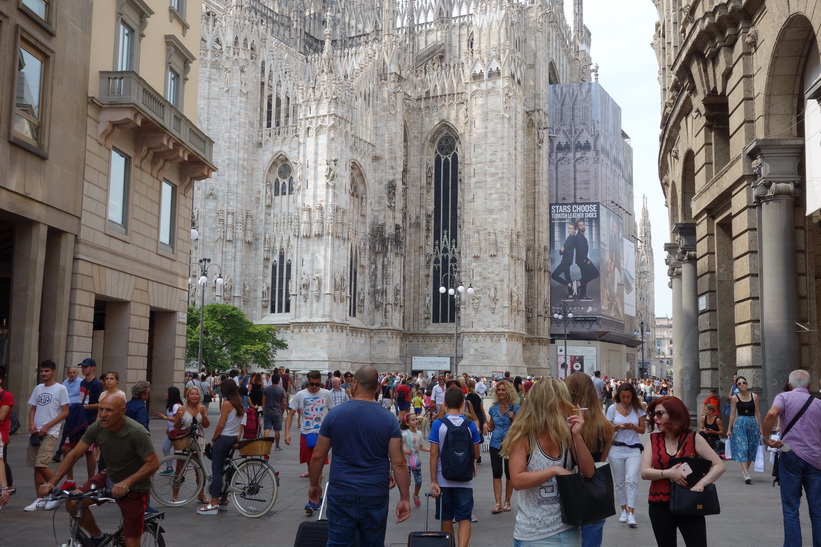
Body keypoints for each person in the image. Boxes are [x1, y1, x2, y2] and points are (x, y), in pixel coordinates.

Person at [308, 365, 410, 544]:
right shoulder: (388, 419)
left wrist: (314, 484)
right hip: (374, 492)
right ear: (377, 387)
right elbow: (399, 462)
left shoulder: (334, 415)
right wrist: (404, 497)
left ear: (354, 384)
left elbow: (318, 455)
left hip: (341, 490)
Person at [40, 395, 159, 547]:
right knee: (73, 502)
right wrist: (51, 483)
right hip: (109, 476)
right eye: (101, 409)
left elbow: (153, 463)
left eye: (109, 410)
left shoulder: (136, 432)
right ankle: (98, 537)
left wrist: (127, 482)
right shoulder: (98, 427)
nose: (103, 414)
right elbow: (74, 454)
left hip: (134, 488)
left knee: (131, 541)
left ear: (122, 411)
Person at [502, 378, 594, 546]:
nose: (568, 406)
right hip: (532, 533)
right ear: (551, 404)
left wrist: (577, 435)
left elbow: (589, 472)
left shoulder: (566, 434)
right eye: (563, 401)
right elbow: (517, 480)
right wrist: (554, 470)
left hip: (567, 527)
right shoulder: (523, 436)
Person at [640, 396, 725, 547]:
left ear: (674, 415)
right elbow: (644, 472)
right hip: (659, 504)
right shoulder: (653, 439)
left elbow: (719, 465)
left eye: (660, 414)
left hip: (690, 501)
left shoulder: (693, 438)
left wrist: (702, 484)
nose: (655, 418)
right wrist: (668, 473)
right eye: (654, 414)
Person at [761, 369, 821, 547]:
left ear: (789, 385)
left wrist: (766, 438)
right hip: (816, 460)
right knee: (817, 509)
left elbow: (771, 414)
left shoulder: (784, 397)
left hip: (790, 455)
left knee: (791, 508)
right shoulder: (818, 403)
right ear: (809, 386)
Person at [429, 387, 482, 547]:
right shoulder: (470, 425)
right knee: (464, 517)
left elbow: (433, 455)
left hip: (443, 478)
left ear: (444, 404)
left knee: (446, 517)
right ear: (462, 405)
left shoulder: (438, 424)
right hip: (465, 479)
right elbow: (477, 454)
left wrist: (433, 481)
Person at [566, 372, 614, 545]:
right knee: (592, 535)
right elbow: (603, 458)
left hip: (567, 486)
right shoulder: (604, 425)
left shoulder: (565, 423)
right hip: (595, 489)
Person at [25, 360, 70, 512]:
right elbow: (33, 409)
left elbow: (65, 411)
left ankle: (54, 492)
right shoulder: (38, 388)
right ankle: (40, 498)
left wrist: (47, 426)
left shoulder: (61, 389)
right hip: (35, 432)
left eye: (46, 371)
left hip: (50, 432)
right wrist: (31, 424)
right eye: (42, 371)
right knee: (36, 468)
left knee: (41, 464)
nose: (43, 374)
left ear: (53, 372)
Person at [197, 379, 245, 515]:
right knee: (225, 470)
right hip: (233, 438)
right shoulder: (239, 403)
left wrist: (213, 439)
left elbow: (220, 425)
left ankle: (213, 503)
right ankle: (224, 499)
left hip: (223, 439)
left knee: (217, 471)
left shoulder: (227, 404)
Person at [284, 370, 334, 494]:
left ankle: (316, 496)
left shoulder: (326, 394)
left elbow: (333, 412)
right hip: (306, 434)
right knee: (311, 467)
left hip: (321, 435)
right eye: (312, 384)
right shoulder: (300, 395)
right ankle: (315, 493)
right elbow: (291, 414)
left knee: (319, 467)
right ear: (308, 382)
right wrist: (286, 433)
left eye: (317, 384)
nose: (314, 387)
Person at [607, 382, 645, 529]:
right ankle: (623, 509)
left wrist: (633, 427)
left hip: (633, 448)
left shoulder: (638, 409)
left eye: (628, 397)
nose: (625, 400)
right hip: (616, 448)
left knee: (632, 479)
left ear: (632, 396)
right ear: (619, 396)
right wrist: (617, 426)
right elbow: (607, 426)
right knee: (619, 482)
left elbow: (642, 430)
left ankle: (631, 512)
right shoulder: (612, 408)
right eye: (623, 396)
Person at [487, 379, 520, 514]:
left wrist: (513, 418)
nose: (500, 392)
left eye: (503, 390)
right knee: (496, 473)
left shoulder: (516, 408)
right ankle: (498, 503)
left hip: (509, 443)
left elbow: (521, 426)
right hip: (495, 442)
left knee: (509, 473)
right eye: (498, 390)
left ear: (508, 391)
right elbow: (491, 426)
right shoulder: (493, 408)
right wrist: (486, 426)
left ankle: (507, 501)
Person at [727, 375, 761, 484]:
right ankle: (746, 473)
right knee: (743, 447)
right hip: (740, 423)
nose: (742, 385)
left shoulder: (754, 396)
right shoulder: (735, 398)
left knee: (751, 448)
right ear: (736, 386)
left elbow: (758, 413)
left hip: (752, 423)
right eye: (739, 383)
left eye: (744, 382)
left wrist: (761, 428)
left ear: (747, 384)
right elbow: (732, 414)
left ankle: (745, 471)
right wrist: (729, 429)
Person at [78, 358, 103, 480]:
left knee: (89, 450)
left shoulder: (97, 384)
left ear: (93, 368)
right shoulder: (82, 383)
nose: (83, 369)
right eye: (82, 367)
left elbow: (101, 402)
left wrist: (87, 407)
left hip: (91, 417)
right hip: (82, 416)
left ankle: (91, 478)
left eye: (86, 367)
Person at [401, 413, 430, 508]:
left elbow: (420, 446)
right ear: (407, 423)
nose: (416, 421)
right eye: (413, 420)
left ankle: (416, 494)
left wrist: (429, 450)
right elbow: (398, 448)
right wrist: (405, 451)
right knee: (407, 482)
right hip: (407, 462)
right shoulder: (404, 434)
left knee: (419, 481)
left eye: (416, 419)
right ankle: (406, 497)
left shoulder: (419, 434)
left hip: (416, 462)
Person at [155, 387, 183, 475]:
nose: (166, 394)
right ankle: (170, 467)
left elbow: (177, 419)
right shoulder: (172, 405)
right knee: (165, 448)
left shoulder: (176, 406)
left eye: (167, 393)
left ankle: (177, 471)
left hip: (177, 432)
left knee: (177, 452)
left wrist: (164, 417)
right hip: (172, 432)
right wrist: (168, 427)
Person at [574, 219, 598, 302]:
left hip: (581, 260)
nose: (583, 226)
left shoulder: (581, 236)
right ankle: (579, 282)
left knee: (585, 276)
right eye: (580, 225)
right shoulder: (579, 237)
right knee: (595, 273)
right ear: (577, 228)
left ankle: (583, 296)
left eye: (583, 224)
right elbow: (580, 251)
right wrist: (586, 259)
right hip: (582, 260)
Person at [552, 222, 578, 299]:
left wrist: (562, 250)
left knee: (554, 275)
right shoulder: (569, 237)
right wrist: (562, 250)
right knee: (568, 276)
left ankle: (569, 284)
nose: (569, 230)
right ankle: (571, 294)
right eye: (568, 228)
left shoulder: (572, 238)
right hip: (566, 260)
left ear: (574, 230)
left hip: (566, 261)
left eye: (571, 228)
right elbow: (562, 251)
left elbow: (565, 250)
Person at [262, 373, 287, 450]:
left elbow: (263, 401)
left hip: (268, 411)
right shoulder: (281, 390)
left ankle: (265, 445)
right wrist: (282, 411)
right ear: (279, 381)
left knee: (267, 428)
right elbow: (284, 403)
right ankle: (277, 446)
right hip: (277, 412)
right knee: (277, 430)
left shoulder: (266, 389)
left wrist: (264, 410)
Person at [465, 380, 487, 464]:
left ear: (467, 386)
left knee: (469, 435)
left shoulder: (466, 397)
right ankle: (478, 454)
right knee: (477, 435)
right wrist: (485, 420)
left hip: (470, 417)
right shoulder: (479, 396)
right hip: (479, 416)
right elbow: (482, 409)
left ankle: (471, 453)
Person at [0, 367, 13, 507]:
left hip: (1, 434)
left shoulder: (6, 395)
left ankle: (7, 487)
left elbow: (1, 416)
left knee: (2, 461)